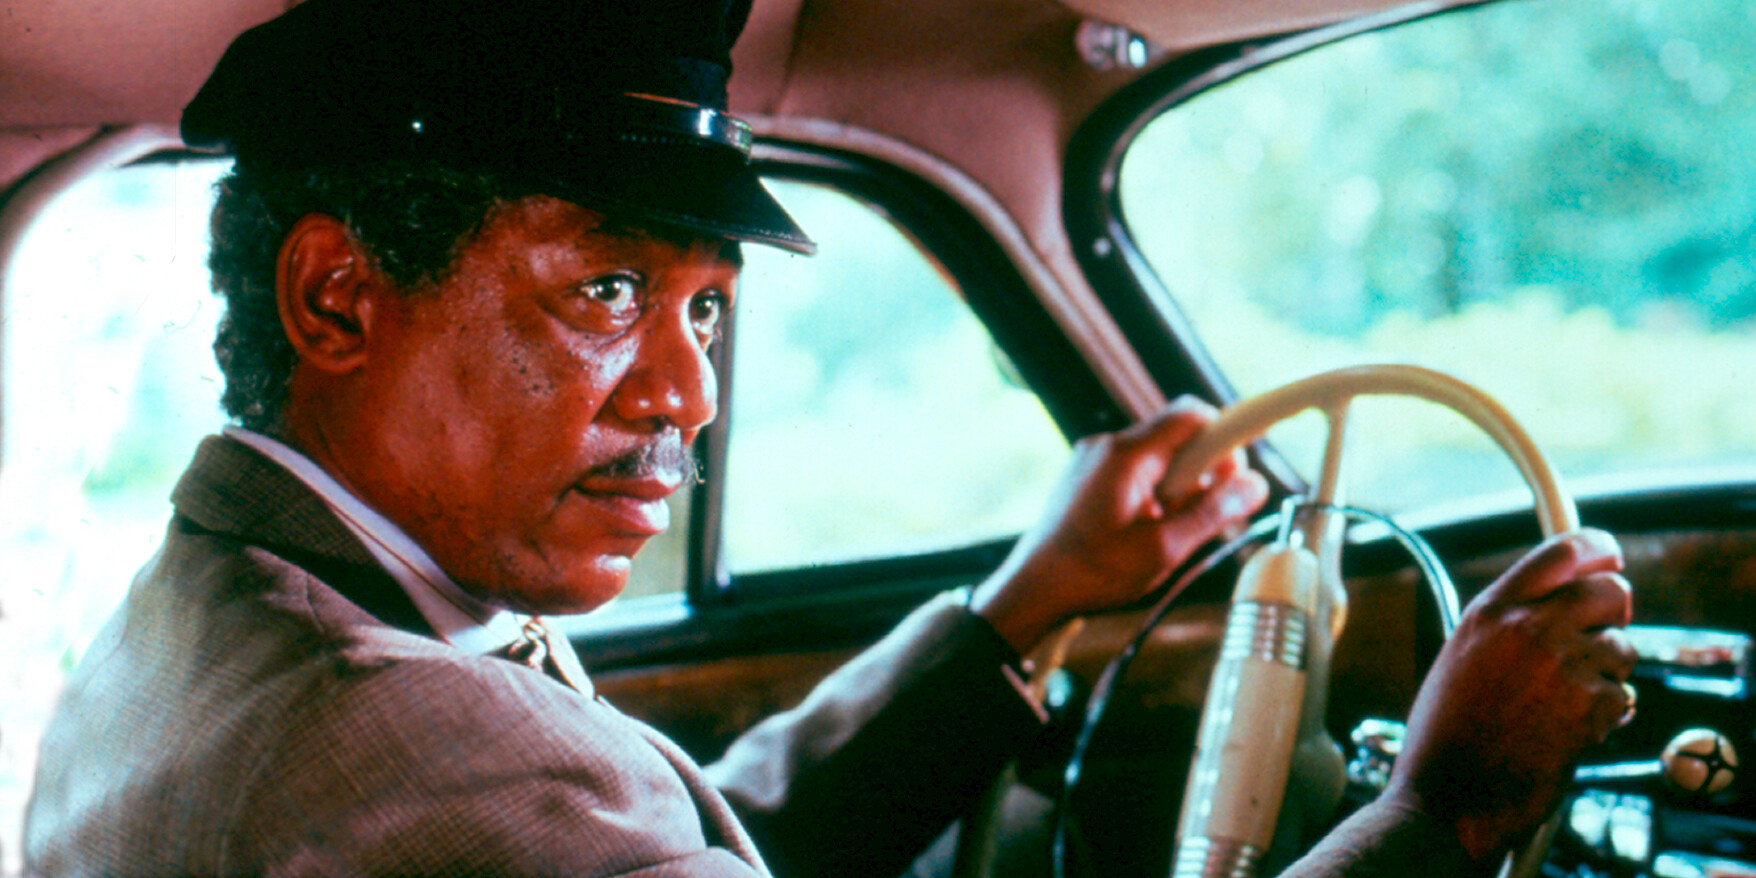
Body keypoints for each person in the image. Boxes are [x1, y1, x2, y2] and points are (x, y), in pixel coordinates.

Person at [22, 0, 1634, 875]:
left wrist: (1024, 606)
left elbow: (695, 835)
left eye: (705, 311)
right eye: (605, 290)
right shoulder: (394, 738)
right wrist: (1440, 810)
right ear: (337, 300)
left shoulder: (205, 616)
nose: (686, 392)